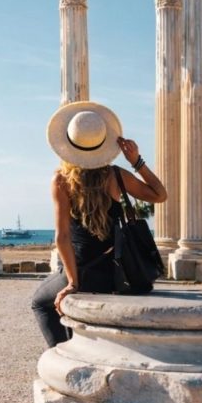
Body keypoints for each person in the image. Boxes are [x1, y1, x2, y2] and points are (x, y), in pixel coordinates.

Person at [31, 101, 167, 347]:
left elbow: (62, 237)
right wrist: (136, 161)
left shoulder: (61, 180)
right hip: (116, 272)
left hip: (84, 273)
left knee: (40, 302)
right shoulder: (116, 175)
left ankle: (62, 354)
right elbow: (160, 195)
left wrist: (73, 283)